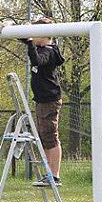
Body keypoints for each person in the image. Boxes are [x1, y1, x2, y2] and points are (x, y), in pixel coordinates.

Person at [21, 17, 65, 187]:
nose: (32, 37)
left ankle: (54, 175)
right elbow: (22, 37)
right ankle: (48, 173)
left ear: (45, 35)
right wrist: (9, 27)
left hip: (49, 100)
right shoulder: (40, 47)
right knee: (44, 137)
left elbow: (37, 61)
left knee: (51, 137)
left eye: (35, 33)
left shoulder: (49, 51)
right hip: (41, 100)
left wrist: (29, 41)